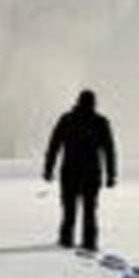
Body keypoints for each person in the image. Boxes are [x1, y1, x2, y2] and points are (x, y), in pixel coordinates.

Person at [42, 89, 117, 250]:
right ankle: (89, 242)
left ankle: (66, 239)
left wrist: (48, 169)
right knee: (90, 209)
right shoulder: (100, 122)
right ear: (94, 103)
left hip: (70, 171)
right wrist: (111, 175)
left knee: (69, 208)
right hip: (91, 173)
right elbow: (109, 151)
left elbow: (54, 146)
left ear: (78, 101)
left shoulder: (67, 119)